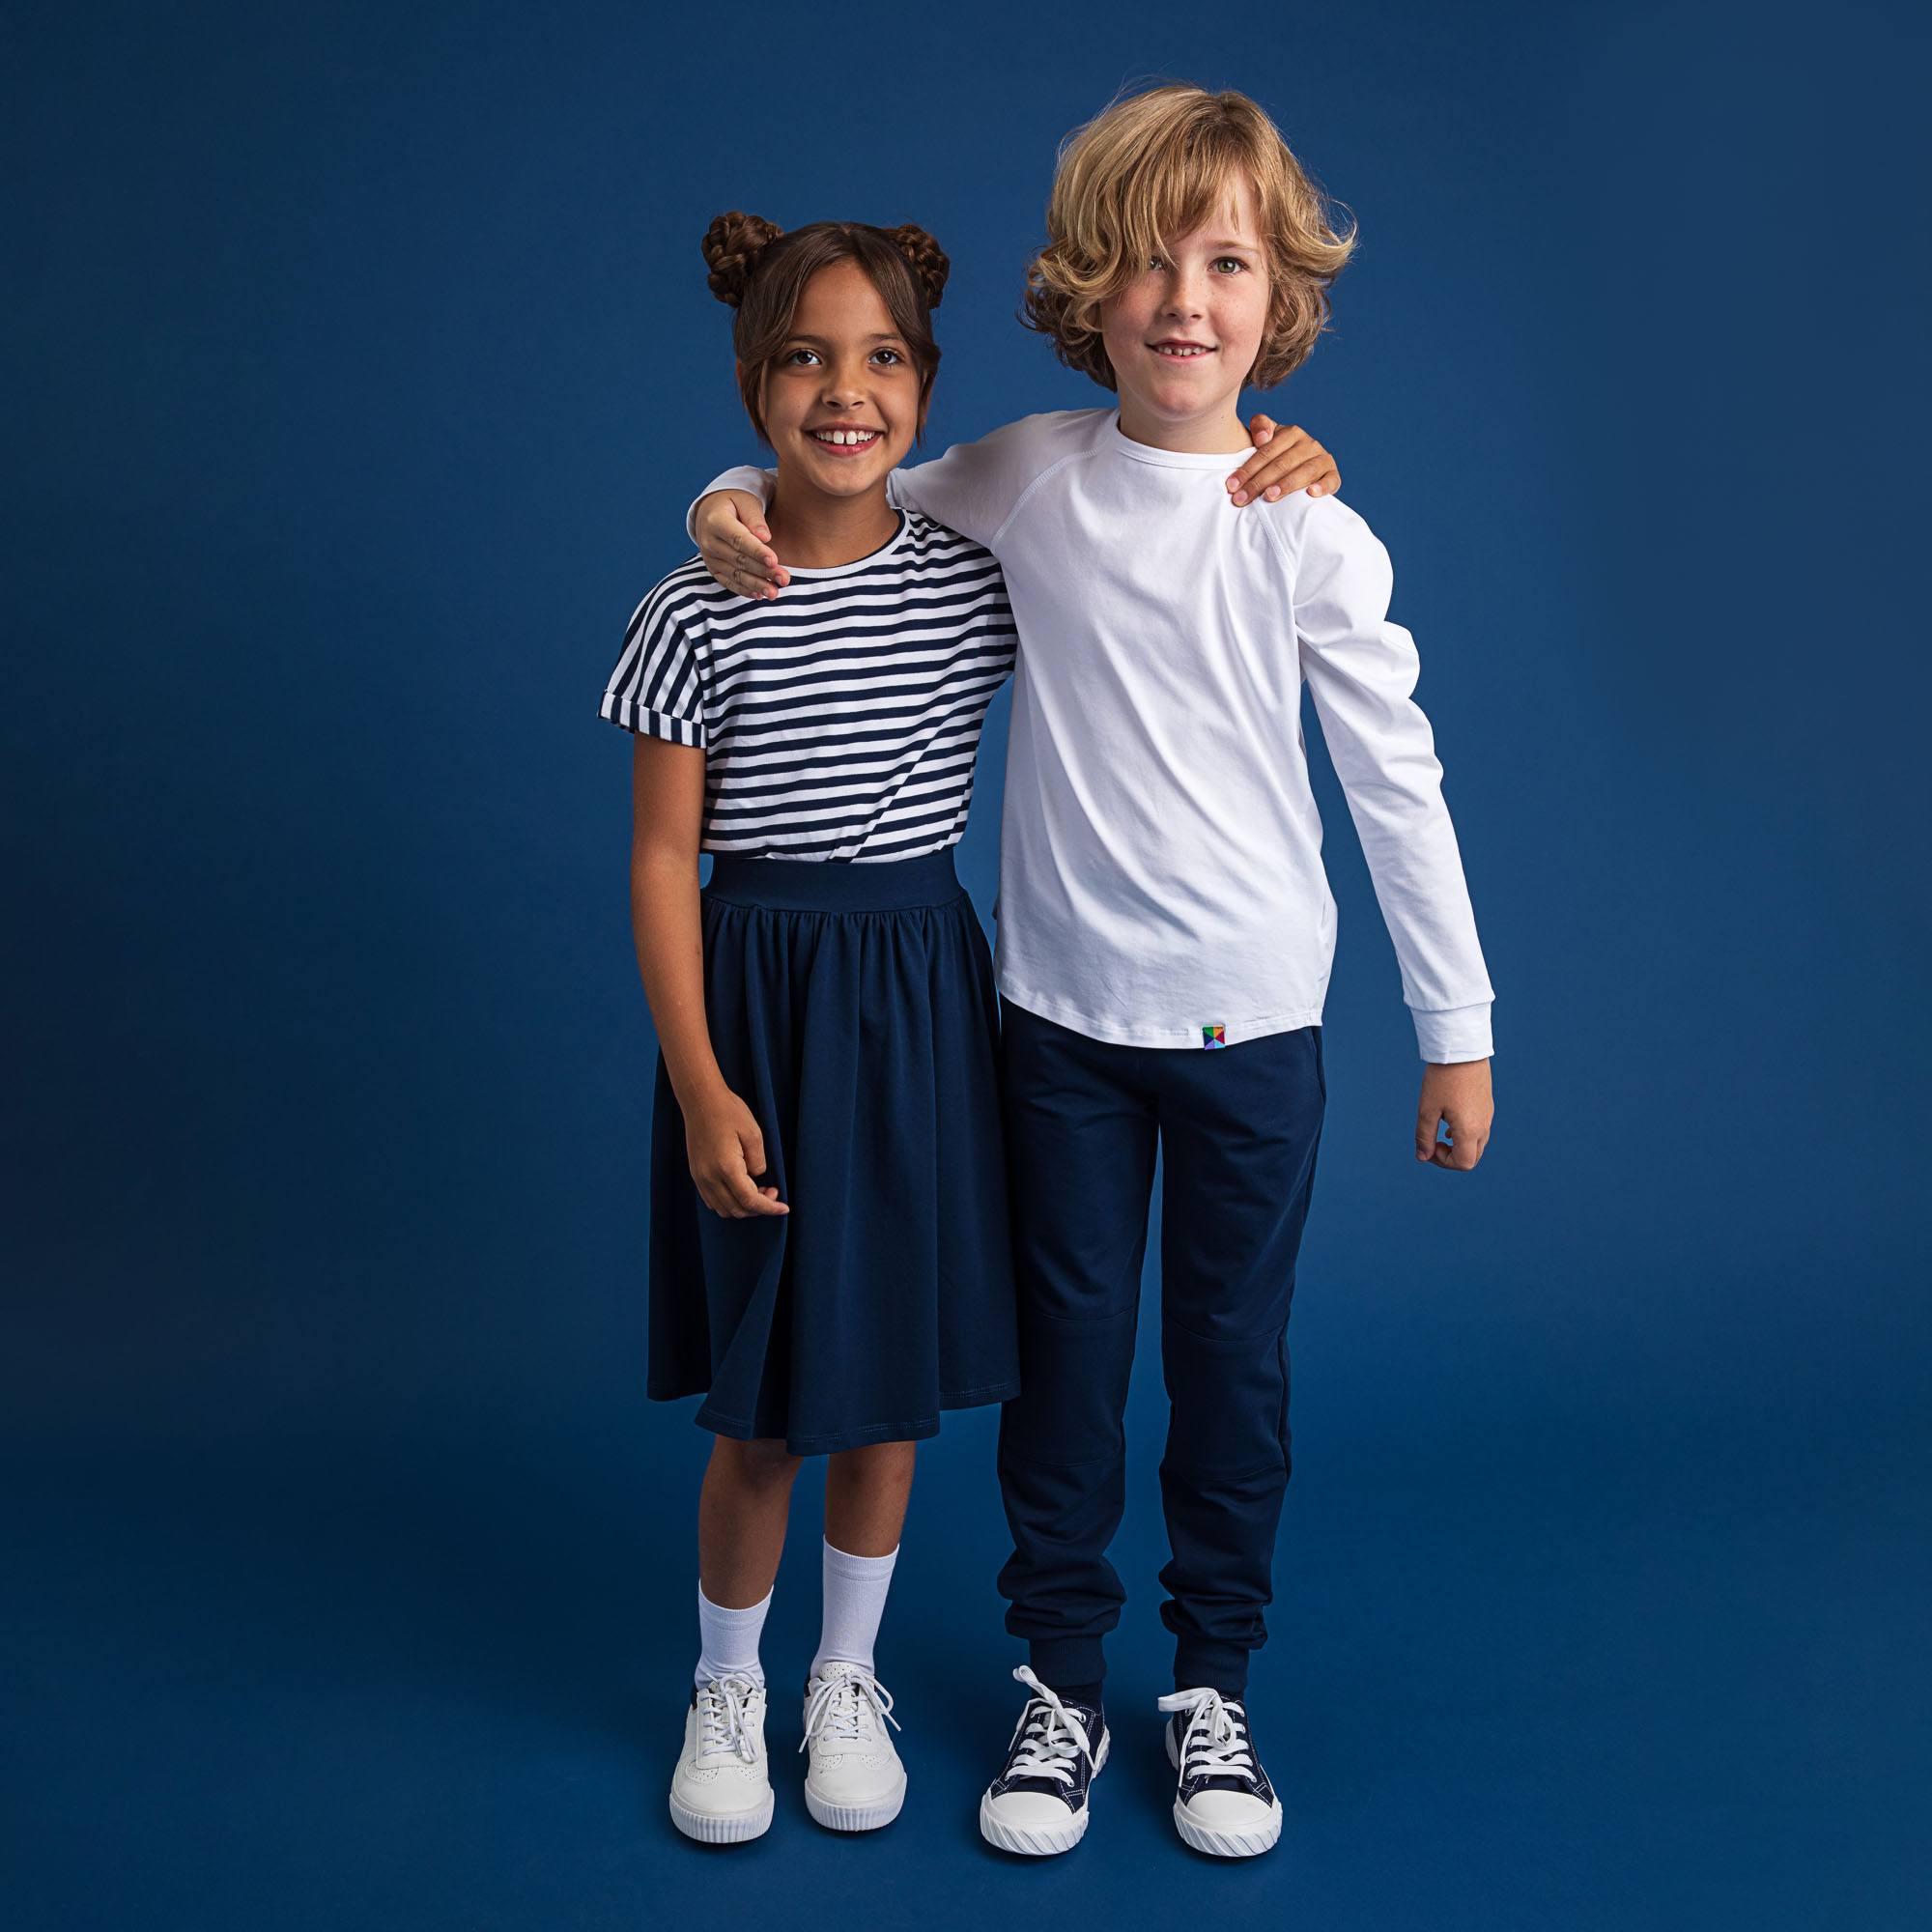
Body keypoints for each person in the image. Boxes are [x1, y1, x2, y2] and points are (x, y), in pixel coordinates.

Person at [682, 83, 1495, 1861]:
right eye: (1146, 265)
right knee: (1063, 1366)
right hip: (1051, 1025)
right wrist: (725, 490)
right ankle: (1062, 1679)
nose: (1185, 301)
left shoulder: (1306, 524)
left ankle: (1214, 1691)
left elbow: (1397, 781)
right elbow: (839, 475)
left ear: (1277, 302)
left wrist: (1459, 1035)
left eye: (1226, 265)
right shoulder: (1029, 476)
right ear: (1087, 296)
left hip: (1254, 1029)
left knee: (1231, 1366)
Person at [601, 211, 1032, 1844]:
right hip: (759, 997)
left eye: (882, 359)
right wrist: (704, 1083)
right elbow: (660, 859)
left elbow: (1134, 521)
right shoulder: (692, 603)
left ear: (924, 385)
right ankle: (729, 1685)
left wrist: (1290, 457)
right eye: (803, 357)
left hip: (920, 989)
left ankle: (844, 1678)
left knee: (886, 1376)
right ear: (747, 377)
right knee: (770, 1391)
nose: (844, 391)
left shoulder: (977, 586)